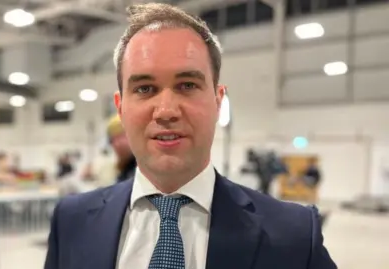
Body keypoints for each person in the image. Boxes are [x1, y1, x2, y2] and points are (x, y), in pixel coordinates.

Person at [44, 3, 337, 269]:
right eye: (145, 89)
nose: (166, 111)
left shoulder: (294, 235)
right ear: (120, 109)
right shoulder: (71, 221)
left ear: (218, 101)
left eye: (186, 85)